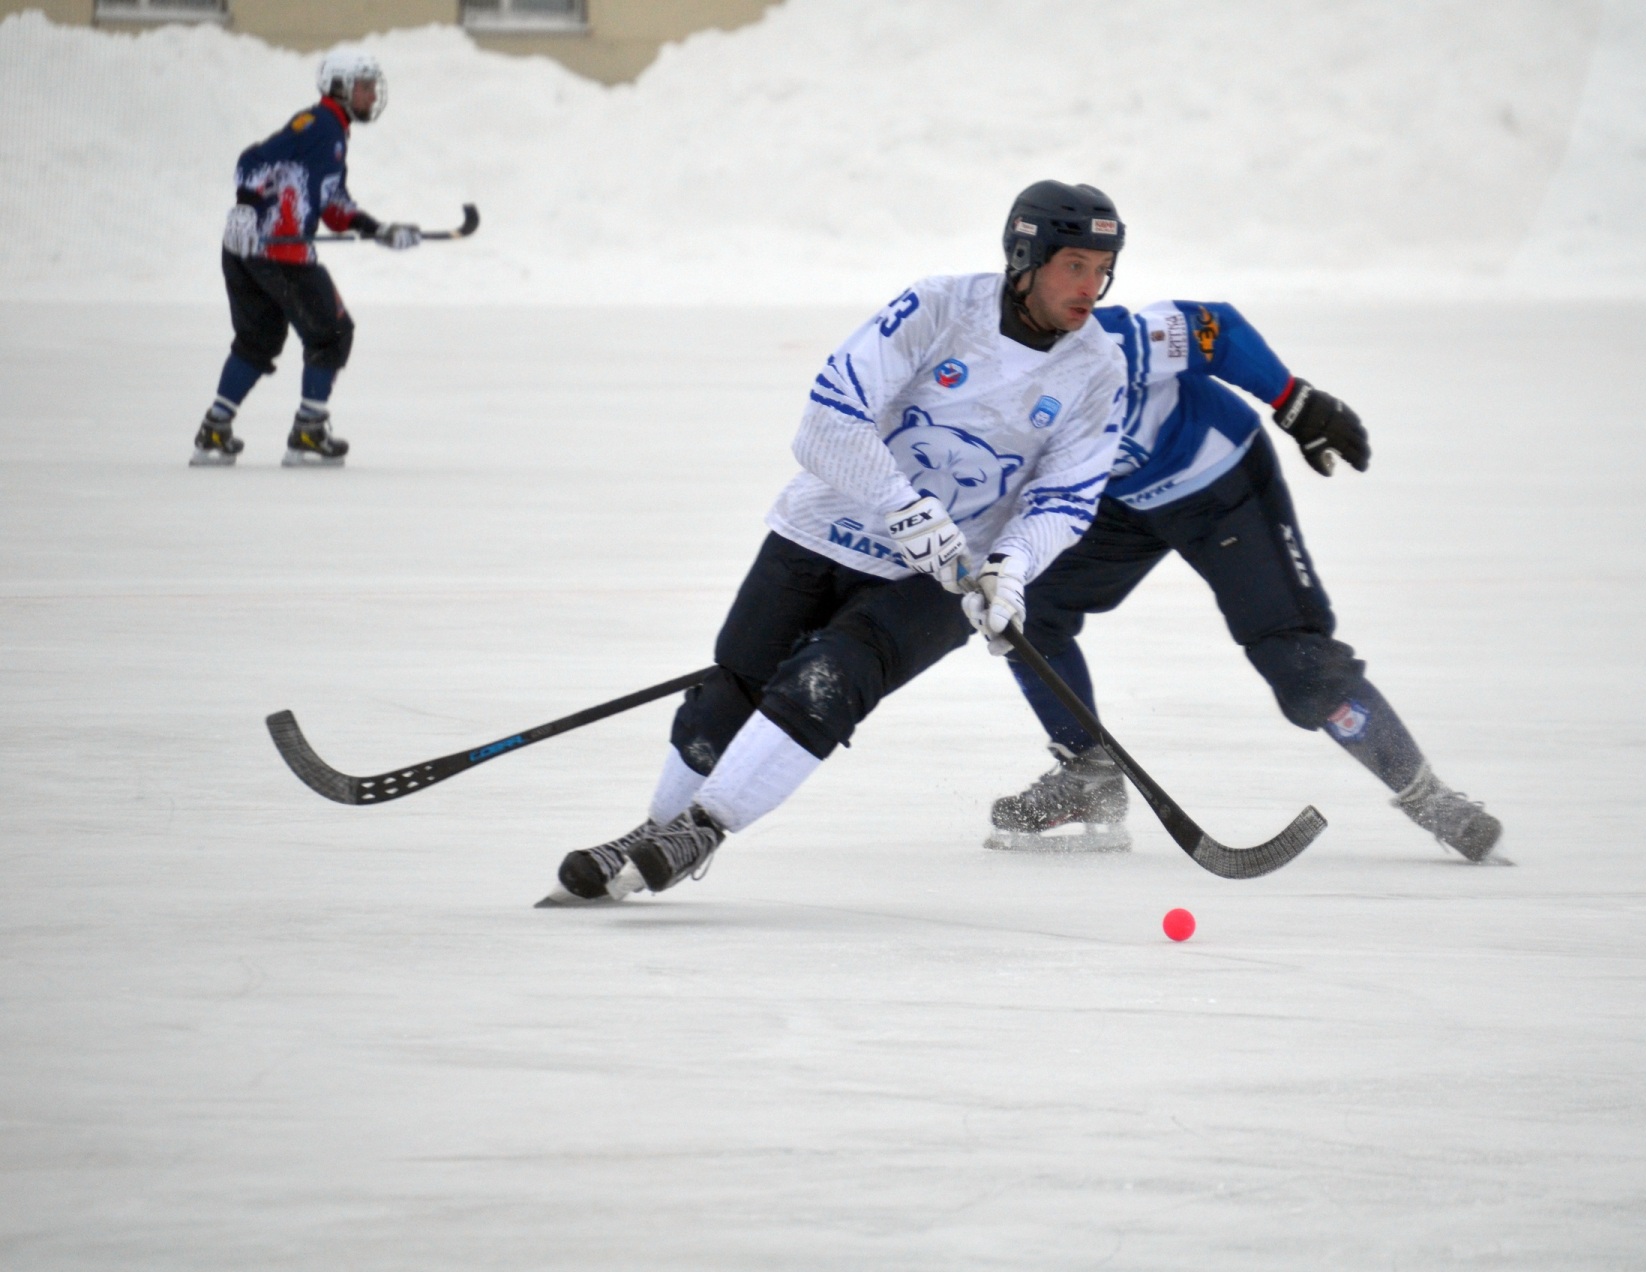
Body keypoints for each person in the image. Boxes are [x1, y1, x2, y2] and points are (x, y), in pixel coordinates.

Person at [542, 180, 1132, 905]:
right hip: (824, 528)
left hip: (944, 578)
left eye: (1104, 269)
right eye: (1076, 265)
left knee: (823, 682)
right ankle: (655, 829)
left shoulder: (1097, 366)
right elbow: (827, 418)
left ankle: (705, 827)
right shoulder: (941, 307)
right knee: (731, 689)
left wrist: (1010, 570)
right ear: (1025, 255)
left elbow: (1065, 498)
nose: (1092, 287)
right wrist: (903, 507)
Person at [985, 299, 1505, 862]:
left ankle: (1428, 796)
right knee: (1023, 610)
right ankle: (1089, 774)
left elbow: (1219, 330)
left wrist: (1293, 400)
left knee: (1296, 661)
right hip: (1122, 503)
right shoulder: (980, 403)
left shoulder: (1112, 343)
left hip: (1221, 485)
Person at [189, 49, 421, 469]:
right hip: (279, 251)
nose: (372, 95)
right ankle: (308, 434)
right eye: (365, 87)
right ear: (341, 88)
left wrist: (375, 228)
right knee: (332, 334)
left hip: (247, 251)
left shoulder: (333, 133)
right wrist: (245, 207)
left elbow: (332, 204)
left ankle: (214, 430)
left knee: (257, 342)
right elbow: (252, 160)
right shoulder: (317, 125)